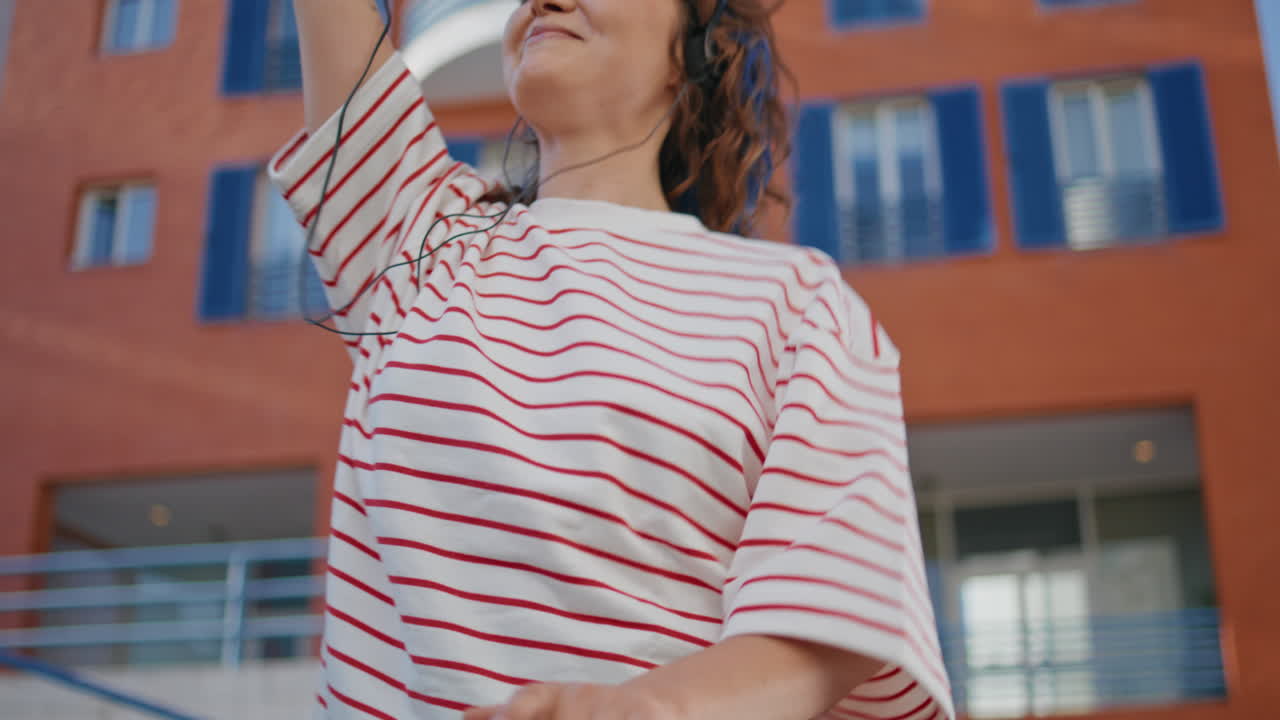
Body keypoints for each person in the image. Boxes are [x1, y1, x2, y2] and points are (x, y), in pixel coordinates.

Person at [273, 1, 953, 718]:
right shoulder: (417, 239)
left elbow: (834, 624)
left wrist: (642, 710)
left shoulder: (797, 306)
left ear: (690, 51)